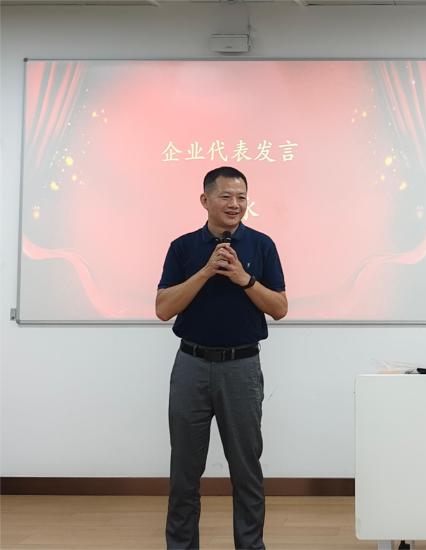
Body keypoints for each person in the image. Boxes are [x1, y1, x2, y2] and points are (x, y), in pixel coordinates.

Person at [156, 166, 287, 549]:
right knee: (184, 471)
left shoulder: (262, 245)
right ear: (205, 200)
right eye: (226, 196)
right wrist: (206, 271)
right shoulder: (183, 247)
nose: (235, 204)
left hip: (242, 368)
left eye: (241, 197)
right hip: (191, 366)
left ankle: (250, 545)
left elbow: (279, 308)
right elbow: (163, 309)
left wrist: (244, 279)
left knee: (246, 470)